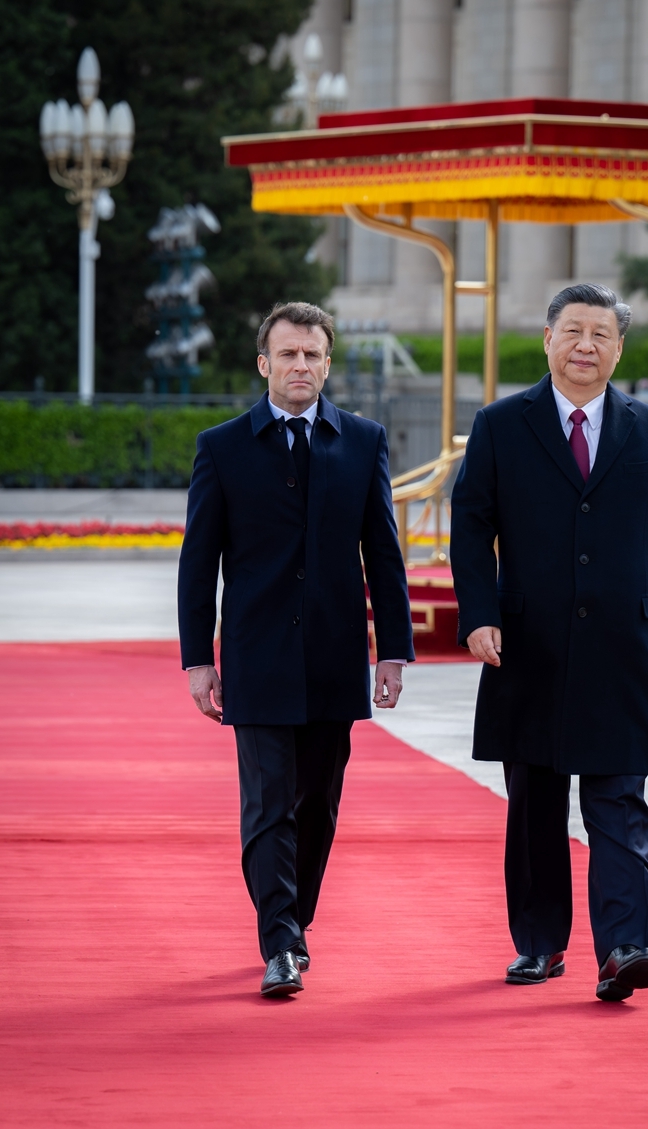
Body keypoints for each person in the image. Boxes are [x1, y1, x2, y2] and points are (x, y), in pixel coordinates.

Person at [450, 283, 648, 1002]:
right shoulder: (501, 425)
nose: (586, 346)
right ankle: (540, 943)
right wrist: (479, 613)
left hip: (625, 646)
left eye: (601, 334)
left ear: (619, 348)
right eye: (573, 331)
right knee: (534, 799)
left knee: (619, 799)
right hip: (527, 644)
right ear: (548, 339)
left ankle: (626, 945)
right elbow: (470, 524)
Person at [178, 301, 414, 998]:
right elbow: (199, 563)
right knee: (268, 802)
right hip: (256, 656)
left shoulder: (364, 442)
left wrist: (392, 650)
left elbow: (384, 553)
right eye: (288, 354)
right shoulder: (222, 447)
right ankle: (279, 940)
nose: (300, 365)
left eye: (312, 354)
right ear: (264, 363)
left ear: (328, 364)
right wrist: (198, 659)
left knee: (319, 804)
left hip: (336, 655)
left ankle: (295, 920)